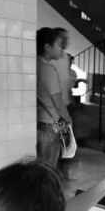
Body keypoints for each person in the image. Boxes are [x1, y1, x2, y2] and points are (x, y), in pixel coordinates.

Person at [36, 28, 72, 168]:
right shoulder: (47, 69)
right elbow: (58, 103)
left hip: (41, 121)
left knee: (42, 164)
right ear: (47, 47)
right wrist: (69, 120)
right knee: (49, 167)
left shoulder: (36, 64)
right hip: (53, 125)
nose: (61, 48)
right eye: (58, 44)